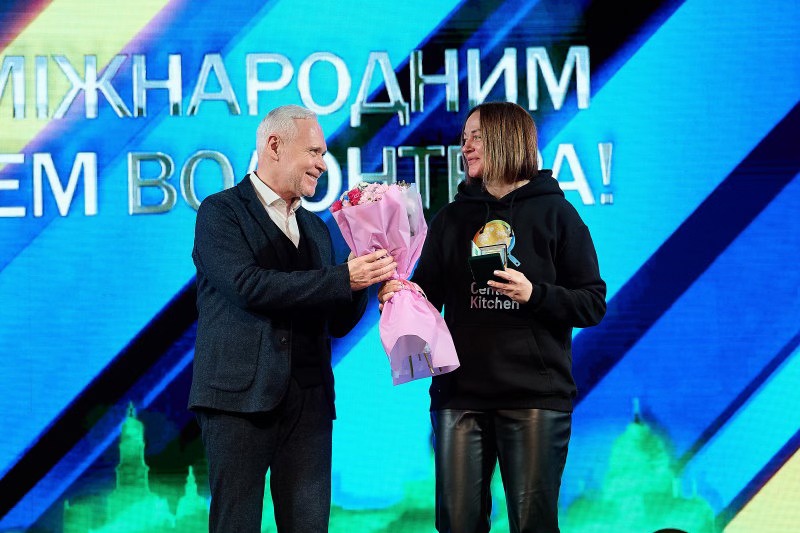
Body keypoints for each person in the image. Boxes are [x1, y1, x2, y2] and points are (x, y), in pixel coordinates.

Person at [379, 102, 606, 533]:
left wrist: (534, 294)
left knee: (533, 526)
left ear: (507, 140)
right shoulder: (452, 218)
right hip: (459, 397)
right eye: (464, 138)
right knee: (457, 525)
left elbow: (591, 303)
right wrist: (398, 295)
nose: (465, 146)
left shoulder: (556, 214)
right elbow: (425, 295)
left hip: (535, 397)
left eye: (477, 137)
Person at [189, 104, 397, 533]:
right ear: (274, 145)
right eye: (314, 152)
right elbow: (248, 286)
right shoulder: (220, 212)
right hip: (238, 402)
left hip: (309, 404)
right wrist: (342, 277)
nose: (322, 164)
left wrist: (362, 283)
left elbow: (335, 323)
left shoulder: (316, 229)